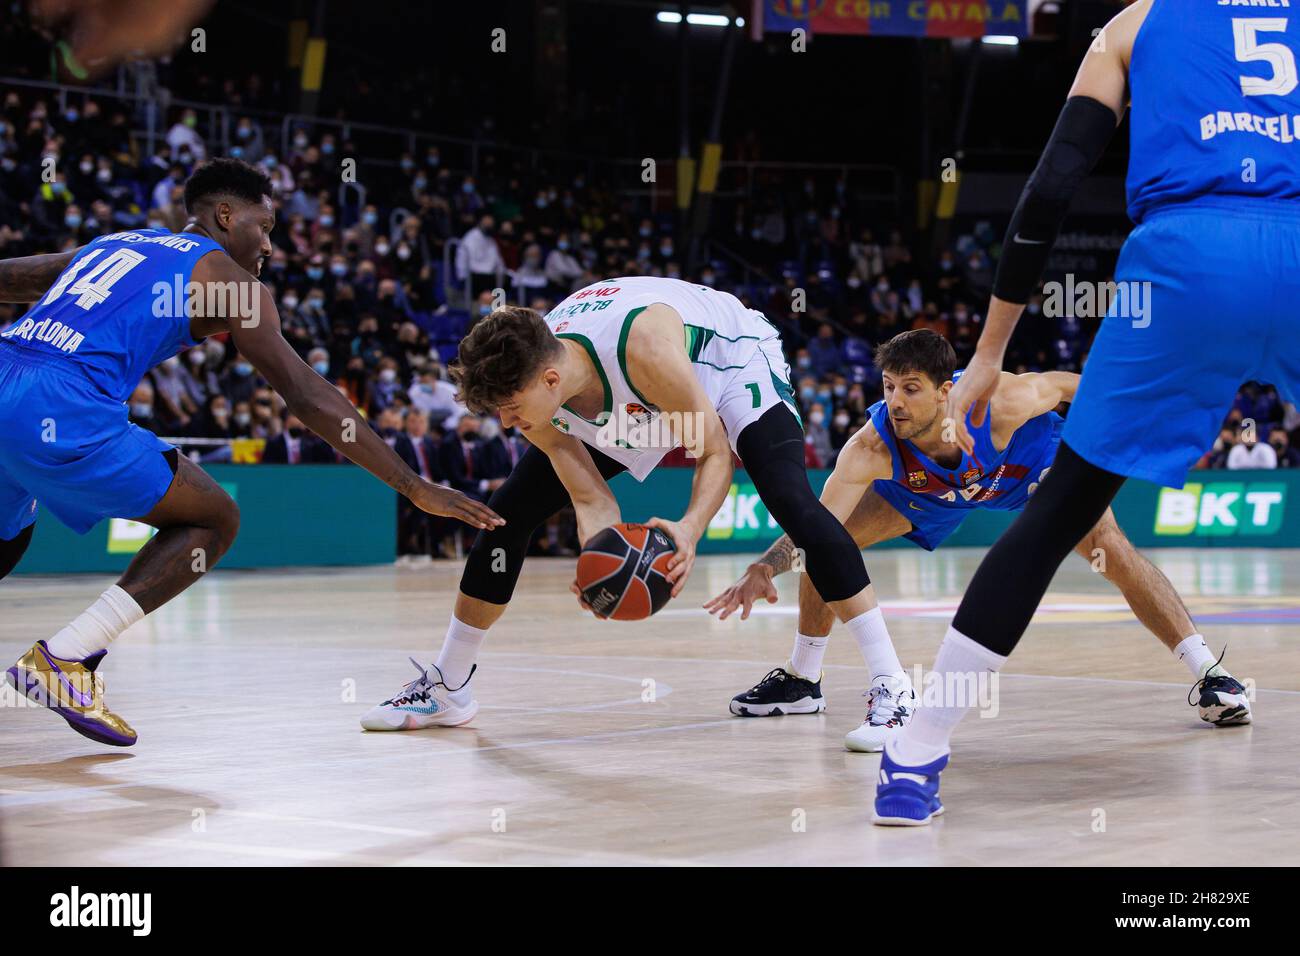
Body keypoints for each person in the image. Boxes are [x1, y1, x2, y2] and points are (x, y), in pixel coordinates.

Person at [872, 0, 1295, 825]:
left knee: (1061, 510)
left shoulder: (1136, 22)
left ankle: (916, 758)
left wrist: (991, 351)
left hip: (1189, 255)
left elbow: (1054, 184)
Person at [0, 158, 502, 748]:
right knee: (214, 518)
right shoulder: (237, 287)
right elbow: (308, 395)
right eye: (263, 226)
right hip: (62, 402)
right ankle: (64, 659)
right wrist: (414, 486)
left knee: (10, 539)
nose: (268, 243)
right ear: (223, 215)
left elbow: (17, 276)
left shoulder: (115, 244)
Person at [360, 276, 885, 732]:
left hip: (725, 361)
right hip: (623, 399)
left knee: (790, 500)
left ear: (549, 381)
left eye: (511, 408)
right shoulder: (536, 382)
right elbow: (589, 495)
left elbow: (714, 453)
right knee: (507, 514)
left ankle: (891, 687)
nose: (504, 423)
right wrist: (600, 555)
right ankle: (449, 687)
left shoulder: (646, 349)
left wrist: (689, 528)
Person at [708, 330, 1248, 751]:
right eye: (889, 387)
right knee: (831, 543)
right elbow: (814, 523)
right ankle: (804, 680)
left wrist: (1129, 415)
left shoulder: (1002, 402)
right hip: (931, 492)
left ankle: (1211, 675)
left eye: (911, 389)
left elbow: (1066, 386)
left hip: (1028, 468)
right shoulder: (872, 445)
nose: (895, 402)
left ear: (946, 392)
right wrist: (765, 566)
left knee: (1111, 547)